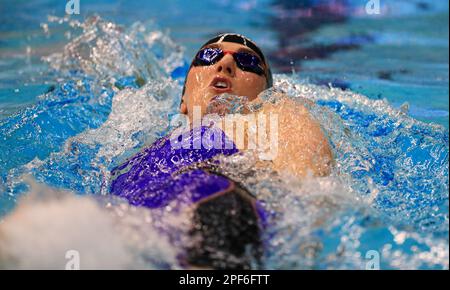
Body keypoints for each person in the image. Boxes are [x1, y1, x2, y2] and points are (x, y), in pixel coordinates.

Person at [110, 33, 333, 269]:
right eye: (208, 56)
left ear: (266, 94)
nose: (224, 64)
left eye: (248, 62)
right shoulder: (136, 149)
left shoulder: (274, 116)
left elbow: (307, 194)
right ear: (183, 99)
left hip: (211, 219)